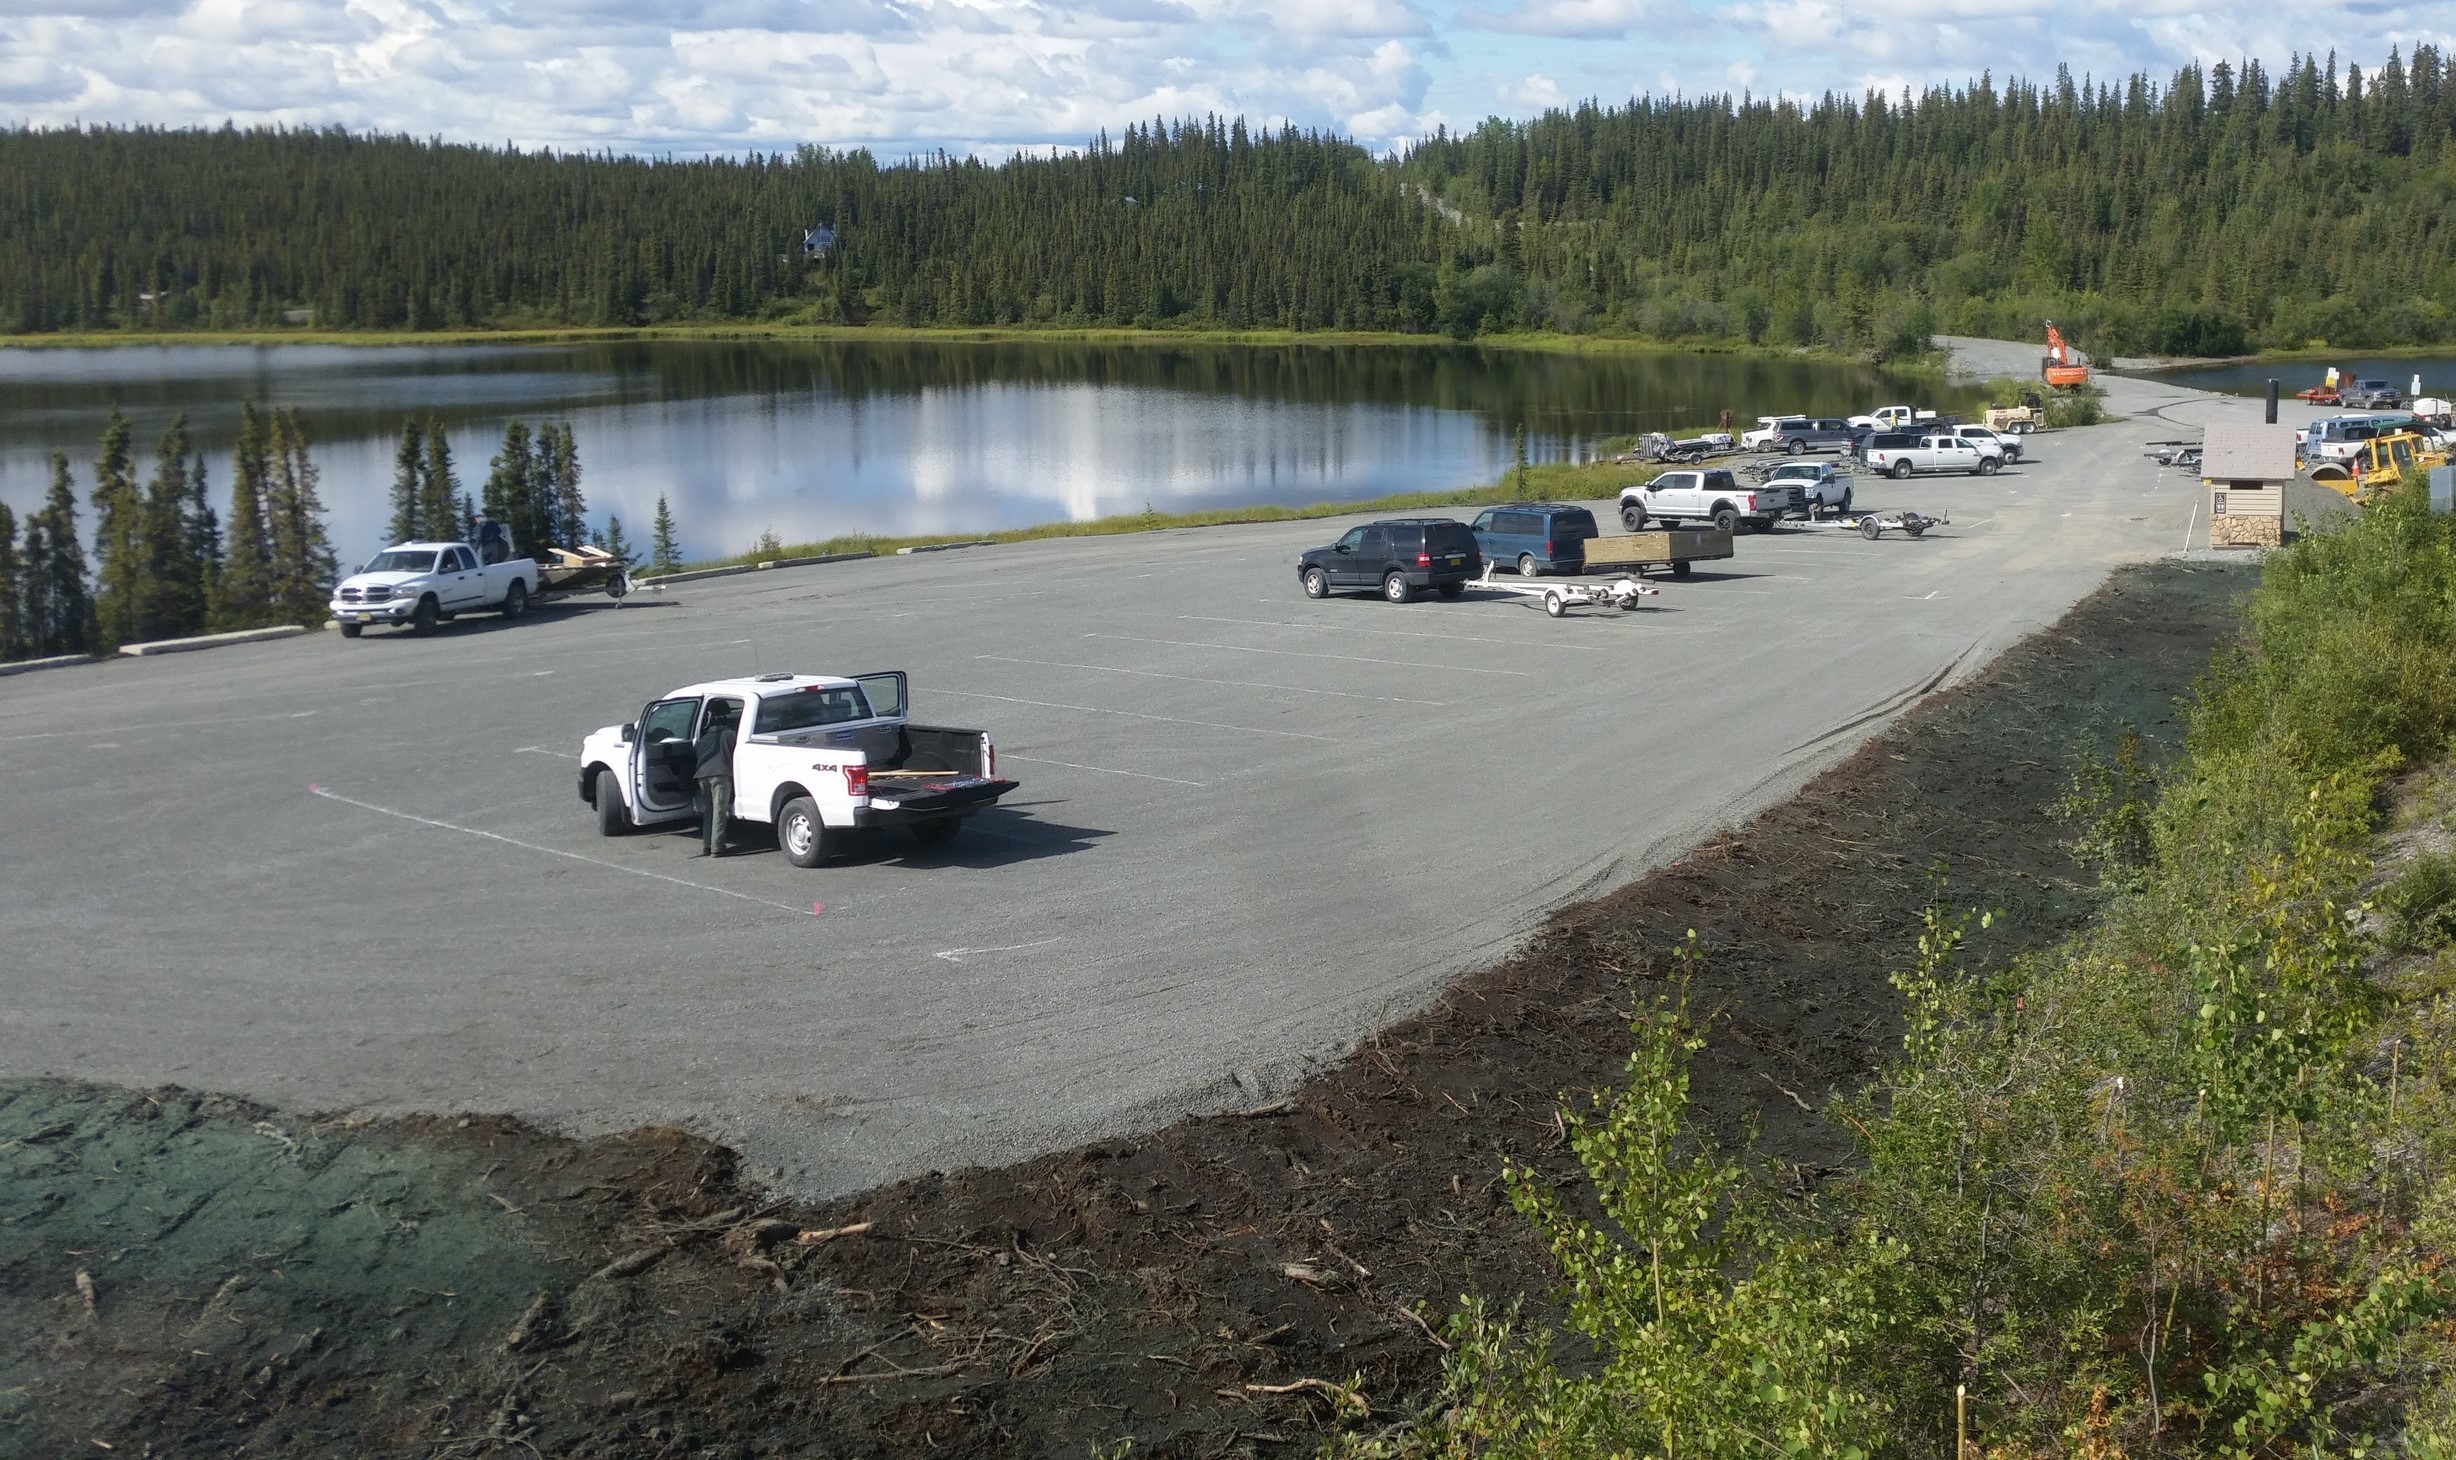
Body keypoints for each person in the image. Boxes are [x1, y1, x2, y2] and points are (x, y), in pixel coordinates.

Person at [692, 703, 738, 857]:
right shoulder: (730, 735)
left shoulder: (703, 738)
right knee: (720, 811)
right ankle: (717, 847)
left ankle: (706, 845)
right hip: (720, 774)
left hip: (701, 775)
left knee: (709, 811)